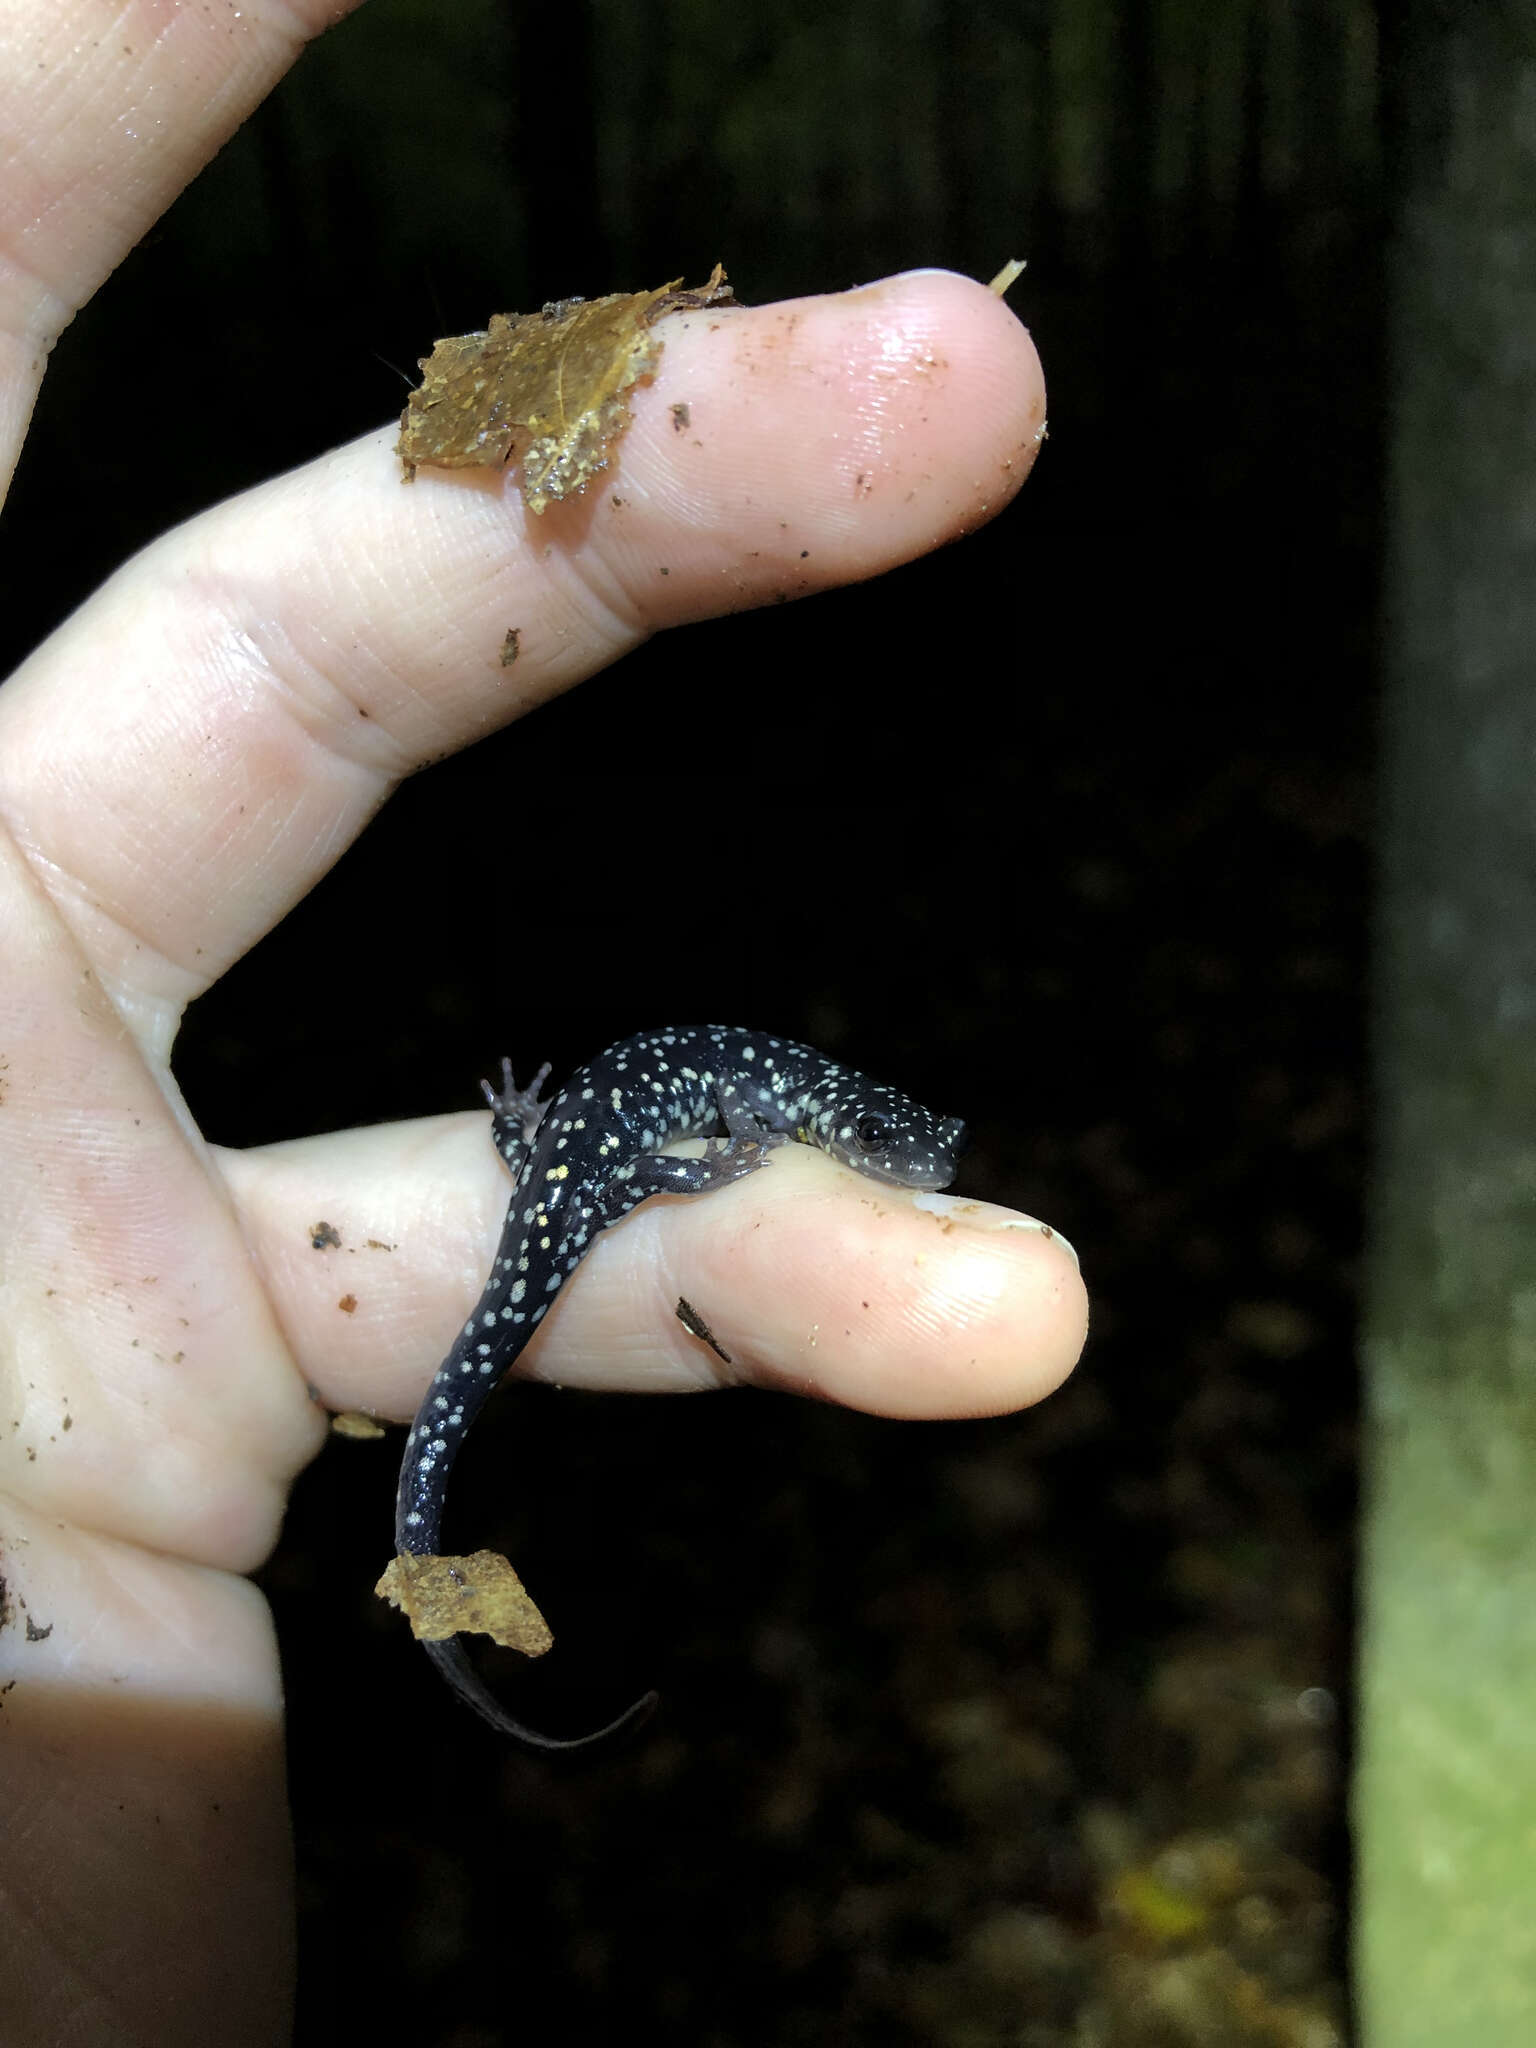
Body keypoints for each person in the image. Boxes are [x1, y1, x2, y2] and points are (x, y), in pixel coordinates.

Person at [0, 3, 1087, 2039]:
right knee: (568, 1253)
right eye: (904, 1154)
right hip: (590, 1140)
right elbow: (704, 1140)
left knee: (559, 1269)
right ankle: (444, 1527)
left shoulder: (814, 1117)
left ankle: (447, 1510)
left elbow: (715, 1142)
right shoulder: (797, 1116)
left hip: (581, 1142)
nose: (911, 1168)